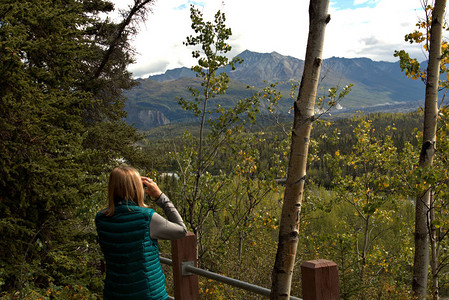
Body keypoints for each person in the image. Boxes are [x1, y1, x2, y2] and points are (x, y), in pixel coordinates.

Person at [95, 166, 187, 300]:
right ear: (137, 188)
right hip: (149, 295)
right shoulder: (146, 218)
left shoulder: (101, 218)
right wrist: (160, 197)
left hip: (114, 293)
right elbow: (181, 230)